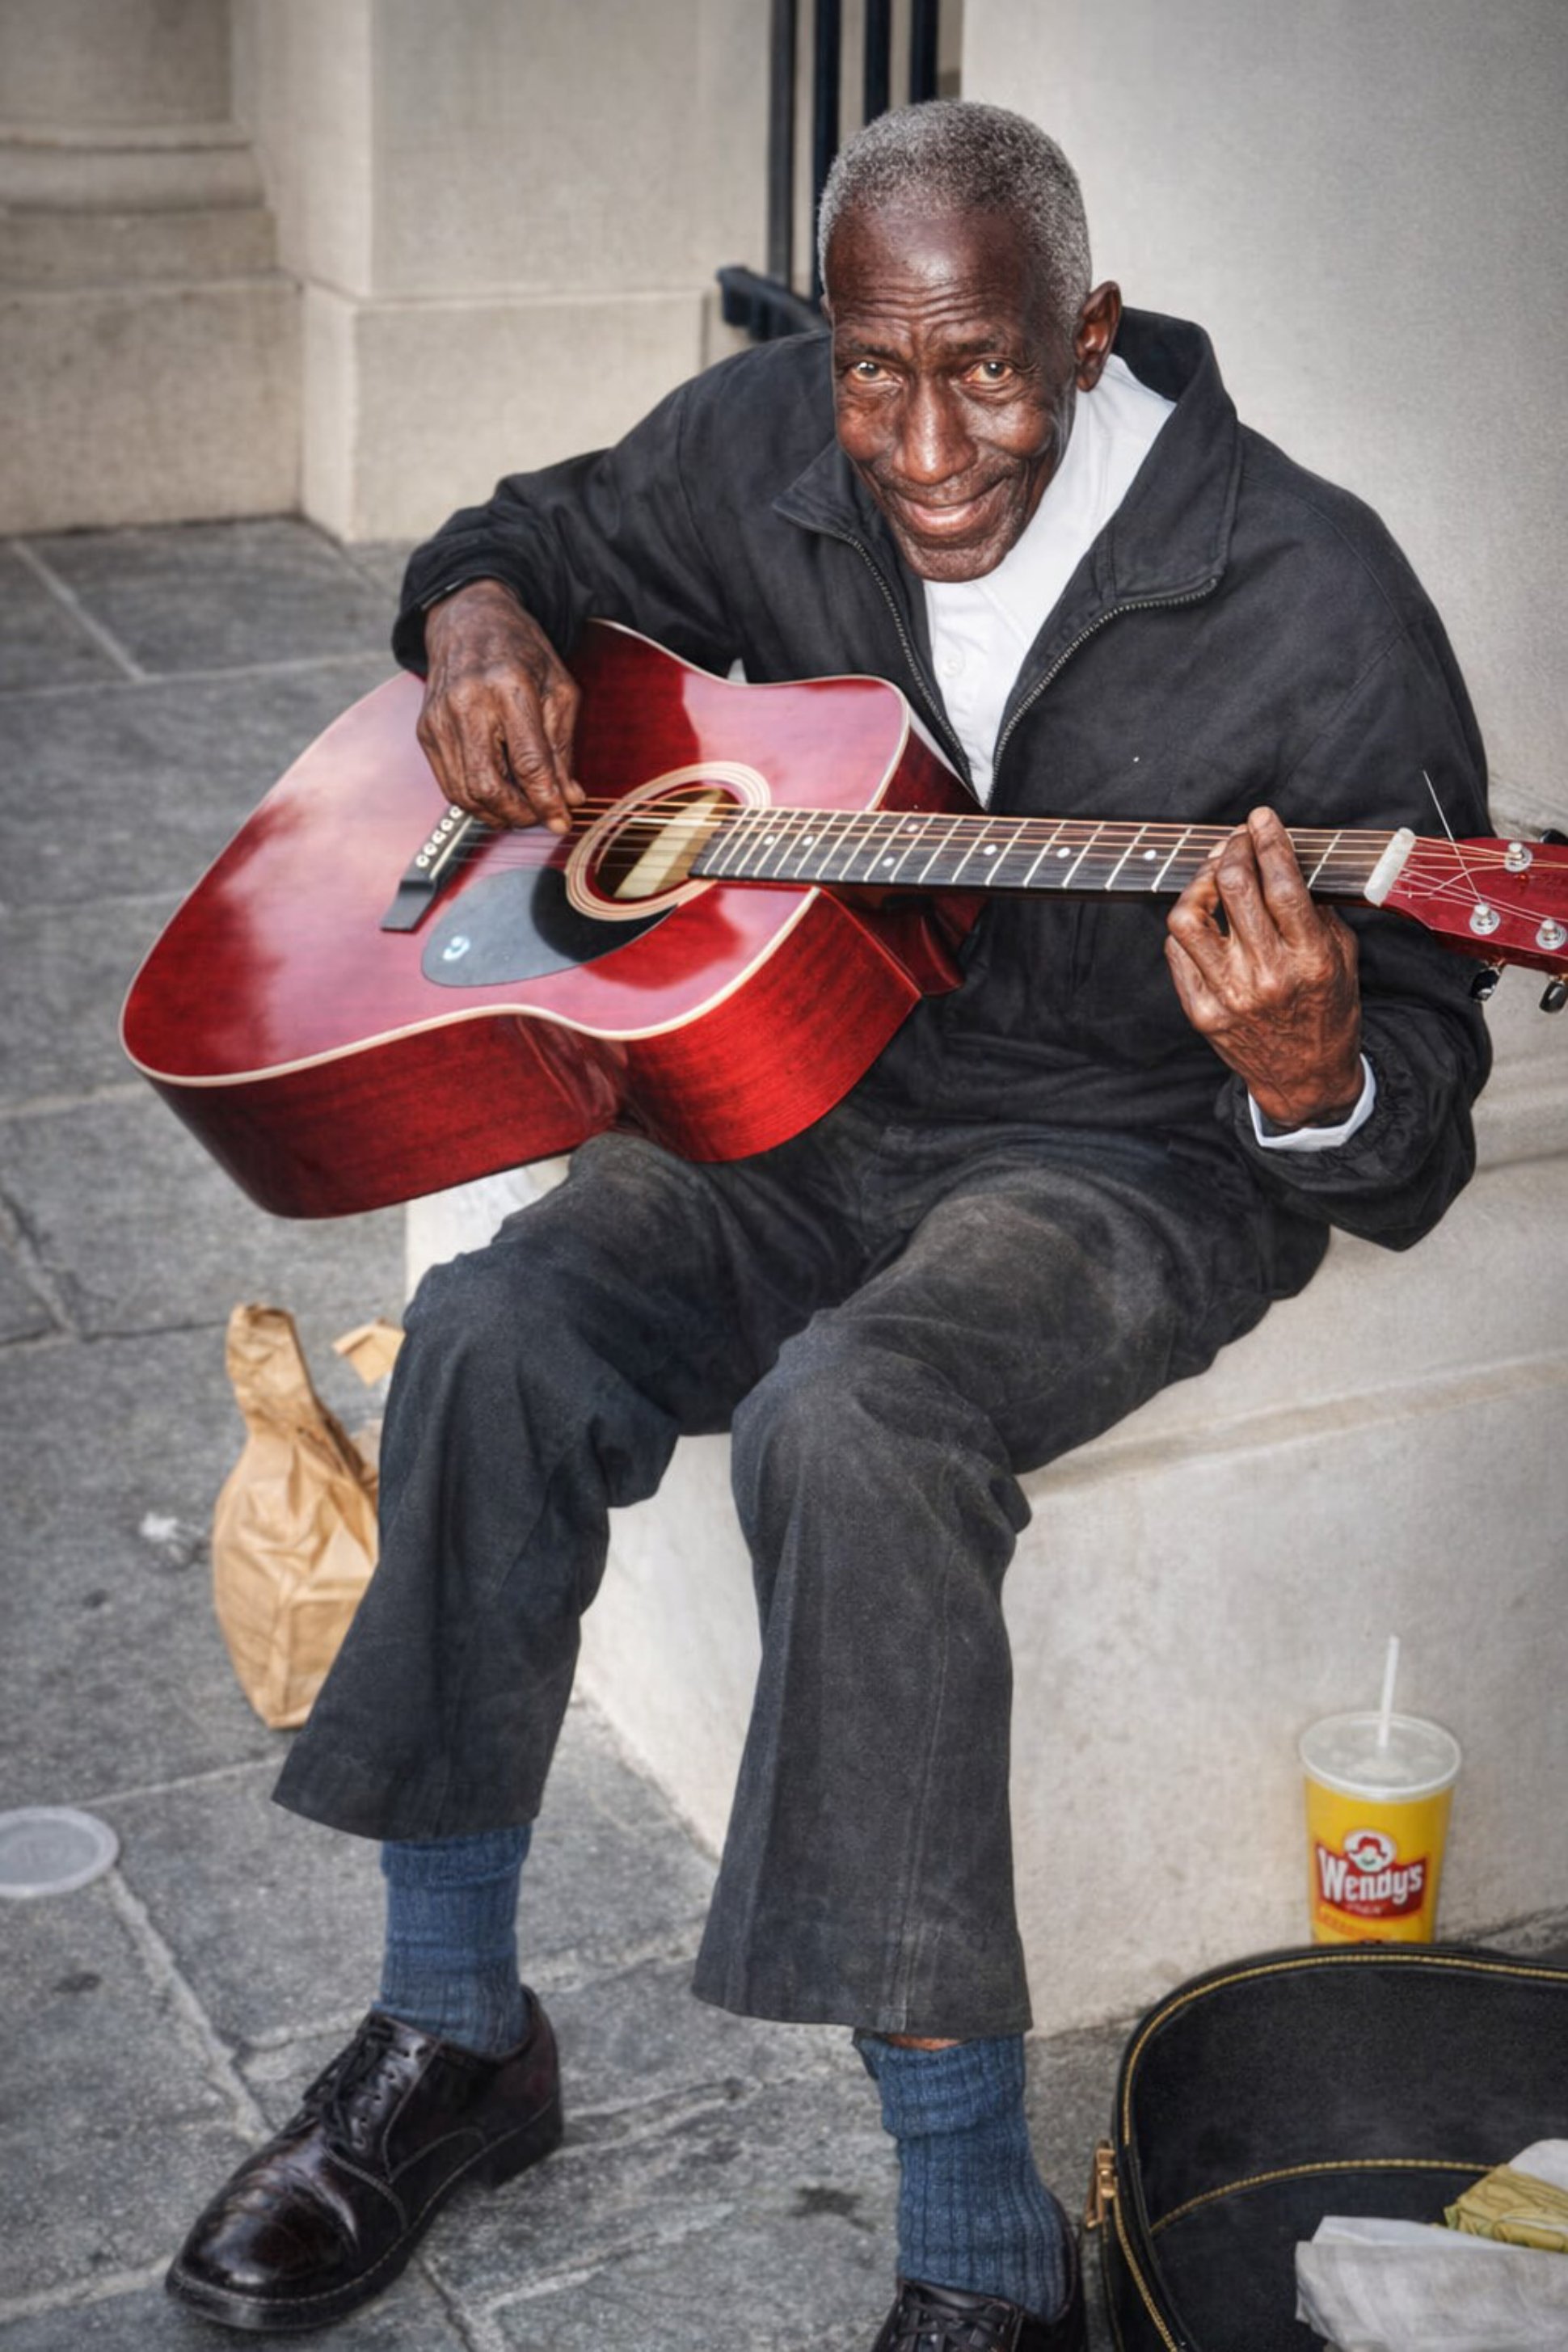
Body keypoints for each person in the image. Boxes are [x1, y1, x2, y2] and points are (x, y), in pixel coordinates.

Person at [166, 100, 1490, 2352]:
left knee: (854, 1421)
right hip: (788, 1095)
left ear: (1081, 330)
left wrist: (1303, 1072)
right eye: (875, 370)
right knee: (493, 1331)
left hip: (1115, 1152)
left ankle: (976, 2237)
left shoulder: (1306, 584)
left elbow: (1419, 1084)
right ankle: (455, 2031)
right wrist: (479, 623)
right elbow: (518, 534)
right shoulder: (779, 429)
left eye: (981, 369)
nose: (919, 438)